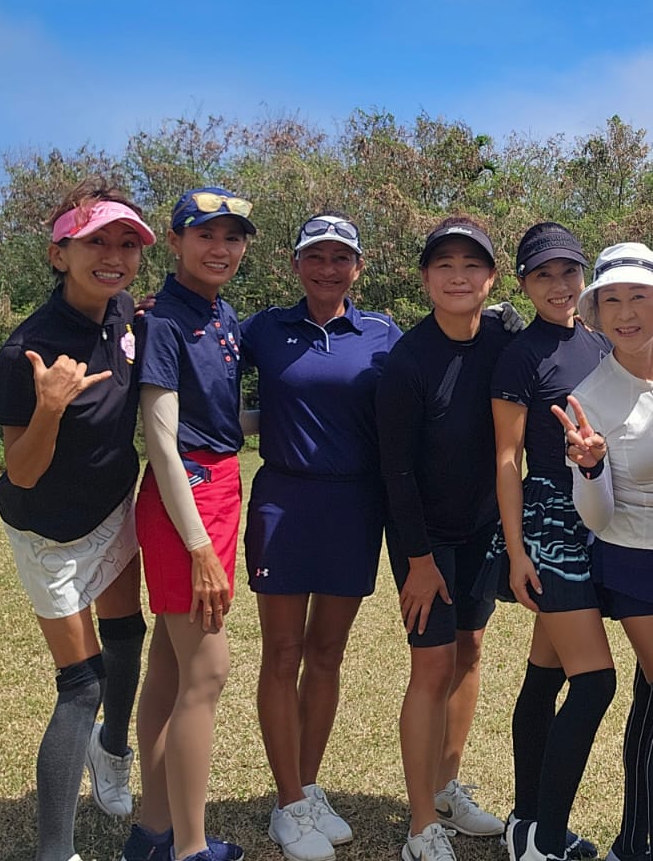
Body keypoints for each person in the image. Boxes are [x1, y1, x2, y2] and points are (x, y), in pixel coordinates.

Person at [0, 181, 155, 861]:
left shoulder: (127, 320)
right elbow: (20, 472)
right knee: (80, 684)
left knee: (128, 639)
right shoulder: (26, 348)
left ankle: (113, 753)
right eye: (95, 243)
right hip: (46, 530)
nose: (113, 256)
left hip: (112, 507)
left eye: (126, 244)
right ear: (59, 254)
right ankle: (56, 851)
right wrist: (50, 405)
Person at [239, 215, 402, 860]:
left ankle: (306, 786)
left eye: (341, 258)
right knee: (282, 651)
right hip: (285, 498)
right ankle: (287, 804)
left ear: (358, 267)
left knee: (327, 653)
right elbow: (201, 355)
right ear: (296, 263)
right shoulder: (265, 329)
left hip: (356, 505)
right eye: (315, 257)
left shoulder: (383, 333)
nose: (327, 269)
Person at [554, 242, 653, 861]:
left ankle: (631, 842)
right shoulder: (589, 397)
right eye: (611, 299)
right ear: (593, 312)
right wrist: (590, 469)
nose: (626, 312)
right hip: (632, 559)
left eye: (638, 296)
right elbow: (596, 515)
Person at [377, 216, 514, 861]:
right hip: (423, 540)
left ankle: (448, 786)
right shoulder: (407, 360)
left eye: (471, 265)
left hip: (483, 531)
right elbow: (395, 471)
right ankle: (420, 823)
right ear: (426, 278)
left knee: (469, 653)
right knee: (431, 666)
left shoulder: (503, 339)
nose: (458, 277)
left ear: (491, 277)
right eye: (444, 266)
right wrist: (419, 561)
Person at [126, 186, 256, 861]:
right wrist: (200, 547)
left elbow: (222, 422)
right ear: (174, 241)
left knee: (170, 671)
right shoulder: (164, 321)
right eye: (205, 234)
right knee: (207, 672)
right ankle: (191, 848)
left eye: (233, 237)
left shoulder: (222, 314)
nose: (221, 248)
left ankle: (153, 830)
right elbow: (162, 439)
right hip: (189, 499)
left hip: (220, 485)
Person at [478, 223, 613, 861]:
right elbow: (507, 460)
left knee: (546, 672)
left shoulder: (600, 340)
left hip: (602, 515)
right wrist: (516, 550)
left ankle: (525, 823)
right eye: (543, 276)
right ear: (524, 284)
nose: (559, 287)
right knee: (594, 682)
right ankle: (544, 841)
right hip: (552, 526)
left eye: (568, 272)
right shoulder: (520, 355)